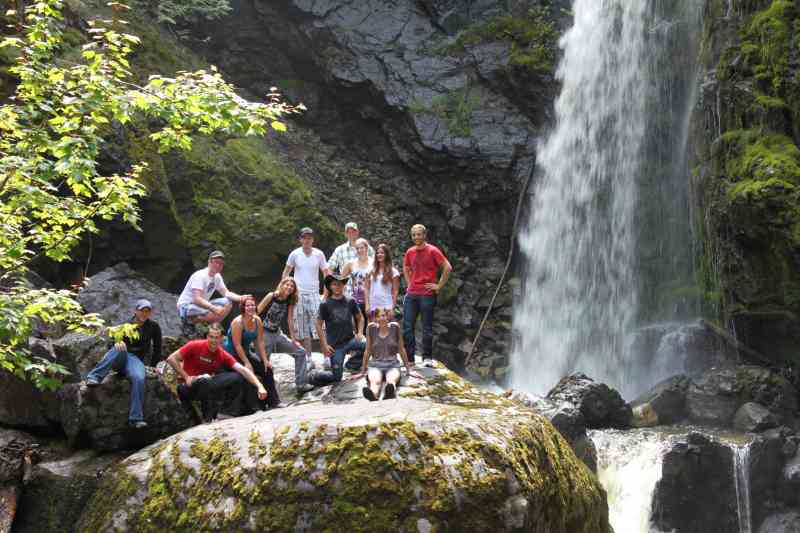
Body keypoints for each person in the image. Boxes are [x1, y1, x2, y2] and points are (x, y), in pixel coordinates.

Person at [84, 299, 162, 429]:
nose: (144, 313)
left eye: (147, 311)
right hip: (120, 357)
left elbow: (157, 348)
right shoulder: (125, 325)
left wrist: (153, 366)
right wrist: (117, 344)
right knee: (119, 348)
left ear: (150, 313)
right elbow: (110, 345)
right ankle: (94, 376)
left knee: (139, 378)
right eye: (142, 310)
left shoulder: (154, 326)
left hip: (135, 361)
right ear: (135, 311)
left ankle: (136, 419)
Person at [166, 323, 267, 424]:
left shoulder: (221, 354)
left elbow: (243, 370)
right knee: (204, 381)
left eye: (216, 337)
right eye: (211, 337)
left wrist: (260, 386)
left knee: (237, 377)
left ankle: (226, 413)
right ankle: (207, 419)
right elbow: (171, 358)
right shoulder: (194, 345)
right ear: (207, 337)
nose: (213, 340)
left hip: (205, 384)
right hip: (187, 386)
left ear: (221, 338)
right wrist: (186, 377)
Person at [402, 224, 452, 367]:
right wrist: (409, 283)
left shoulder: (432, 250)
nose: (416, 237)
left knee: (426, 327)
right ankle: (410, 359)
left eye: (419, 234)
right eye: (413, 235)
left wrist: (439, 286)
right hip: (412, 294)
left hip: (427, 294)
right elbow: (406, 267)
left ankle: (427, 358)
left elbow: (447, 267)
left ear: (424, 235)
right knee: (407, 326)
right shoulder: (410, 251)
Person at [223, 296, 281, 410]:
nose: (251, 307)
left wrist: (265, 360)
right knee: (248, 373)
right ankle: (255, 407)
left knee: (267, 369)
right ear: (243, 308)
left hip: (245, 352)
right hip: (232, 355)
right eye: (248, 305)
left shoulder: (257, 320)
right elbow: (237, 345)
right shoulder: (238, 322)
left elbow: (260, 342)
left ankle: (274, 402)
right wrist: (247, 363)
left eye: (253, 305)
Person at [257, 277, 315, 394]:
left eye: (292, 286)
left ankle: (301, 384)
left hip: (277, 333)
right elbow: (256, 312)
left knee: (301, 352)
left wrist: (293, 339)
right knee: (263, 362)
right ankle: (262, 389)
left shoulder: (290, 300)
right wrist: (254, 334)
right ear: (282, 285)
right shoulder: (271, 296)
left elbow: (289, 320)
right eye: (287, 284)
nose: (289, 287)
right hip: (264, 333)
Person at [282, 228, 330, 358]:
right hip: (298, 295)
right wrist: (284, 292)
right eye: (304, 238)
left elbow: (326, 274)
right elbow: (286, 273)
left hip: (314, 294)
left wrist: (325, 295)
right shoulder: (295, 254)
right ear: (300, 239)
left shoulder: (319, 254)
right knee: (302, 329)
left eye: (309, 238)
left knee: (320, 326)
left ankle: (326, 357)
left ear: (313, 239)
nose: (307, 240)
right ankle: (308, 358)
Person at [176, 250, 246, 337]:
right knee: (215, 312)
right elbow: (196, 299)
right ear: (209, 262)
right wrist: (213, 308)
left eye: (221, 264)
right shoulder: (200, 275)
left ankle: (212, 328)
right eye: (216, 262)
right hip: (186, 306)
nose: (218, 265)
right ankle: (189, 323)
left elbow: (226, 293)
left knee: (228, 302)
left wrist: (241, 298)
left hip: (201, 306)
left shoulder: (217, 277)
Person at [357, 308, 419, 401]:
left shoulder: (395, 327)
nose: (382, 318)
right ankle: (373, 395)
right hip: (376, 365)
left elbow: (401, 349)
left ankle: (389, 393)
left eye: (384, 315)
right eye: (380, 316)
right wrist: (362, 371)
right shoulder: (371, 328)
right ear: (375, 318)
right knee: (375, 382)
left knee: (391, 381)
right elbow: (368, 350)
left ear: (388, 317)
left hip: (392, 365)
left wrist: (408, 370)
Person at [315, 274, 365, 383]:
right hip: (335, 346)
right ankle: (314, 376)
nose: (337, 286)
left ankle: (352, 365)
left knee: (367, 343)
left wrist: (360, 333)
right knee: (337, 377)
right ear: (330, 286)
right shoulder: (325, 304)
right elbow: (318, 324)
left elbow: (360, 317)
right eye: (334, 284)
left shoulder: (350, 300)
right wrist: (324, 345)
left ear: (343, 285)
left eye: (340, 284)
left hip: (351, 340)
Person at [364, 243, 400, 322]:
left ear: (387, 255)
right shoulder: (369, 271)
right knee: (372, 328)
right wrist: (367, 305)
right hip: (373, 307)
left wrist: (392, 308)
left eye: (382, 253)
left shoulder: (394, 272)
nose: (379, 255)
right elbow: (366, 288)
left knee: (386, 328)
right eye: (377, 253)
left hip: (387, 306)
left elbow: (395, 291)